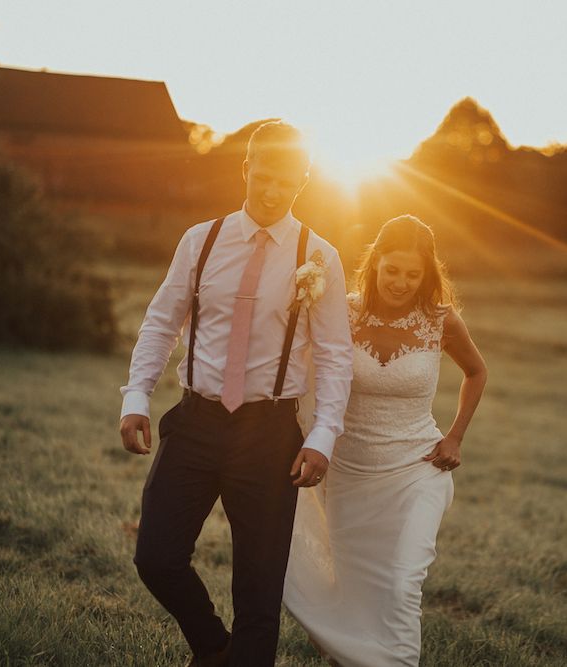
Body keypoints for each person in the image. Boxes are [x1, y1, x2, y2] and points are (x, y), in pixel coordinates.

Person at [119, 121, 353, 667]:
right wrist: (136, 398)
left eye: (286, 182)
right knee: (157, 558)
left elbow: (336, 354)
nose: (272, 192)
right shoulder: (200, 241)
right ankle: (213, 648)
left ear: (304, 180)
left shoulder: (319, 257)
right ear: (245, 169)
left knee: (259, 585)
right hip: (196, 421)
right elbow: (161, 322)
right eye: (263, 177)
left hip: (270, 434)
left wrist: (322, 436)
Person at [284, 214, 488, 666]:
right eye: (392, 269)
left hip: (417, 468)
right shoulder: (343, 310)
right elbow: (299, 359)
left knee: (401, 582)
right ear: (375, 263)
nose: (401, 282)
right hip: (349, 473)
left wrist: (455, 436)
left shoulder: (440, 320)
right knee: (354, 588)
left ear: (427, 274)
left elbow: (477, 372)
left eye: (413, 274)